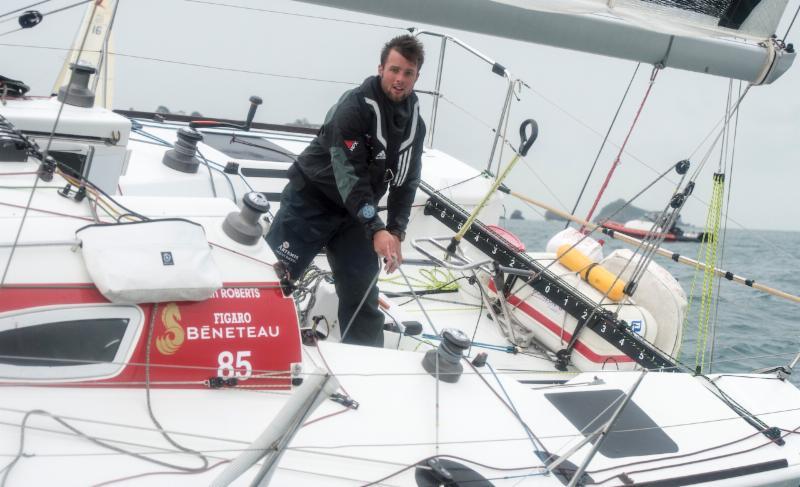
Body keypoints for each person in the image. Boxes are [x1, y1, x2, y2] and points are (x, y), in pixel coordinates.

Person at [266, 35, 426, 347]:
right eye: (394, 70)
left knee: (362, 291)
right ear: (381, 68)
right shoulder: (352, 109)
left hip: (354, 218)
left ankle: (367, 366)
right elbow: (349, 176)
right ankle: (253, 347)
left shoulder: (415, 125)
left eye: (408, 73)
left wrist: (395, 230)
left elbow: (407, 181)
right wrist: (375, 228)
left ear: (417, 76)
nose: (400, 79)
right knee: (273, 280)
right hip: (311, 202)